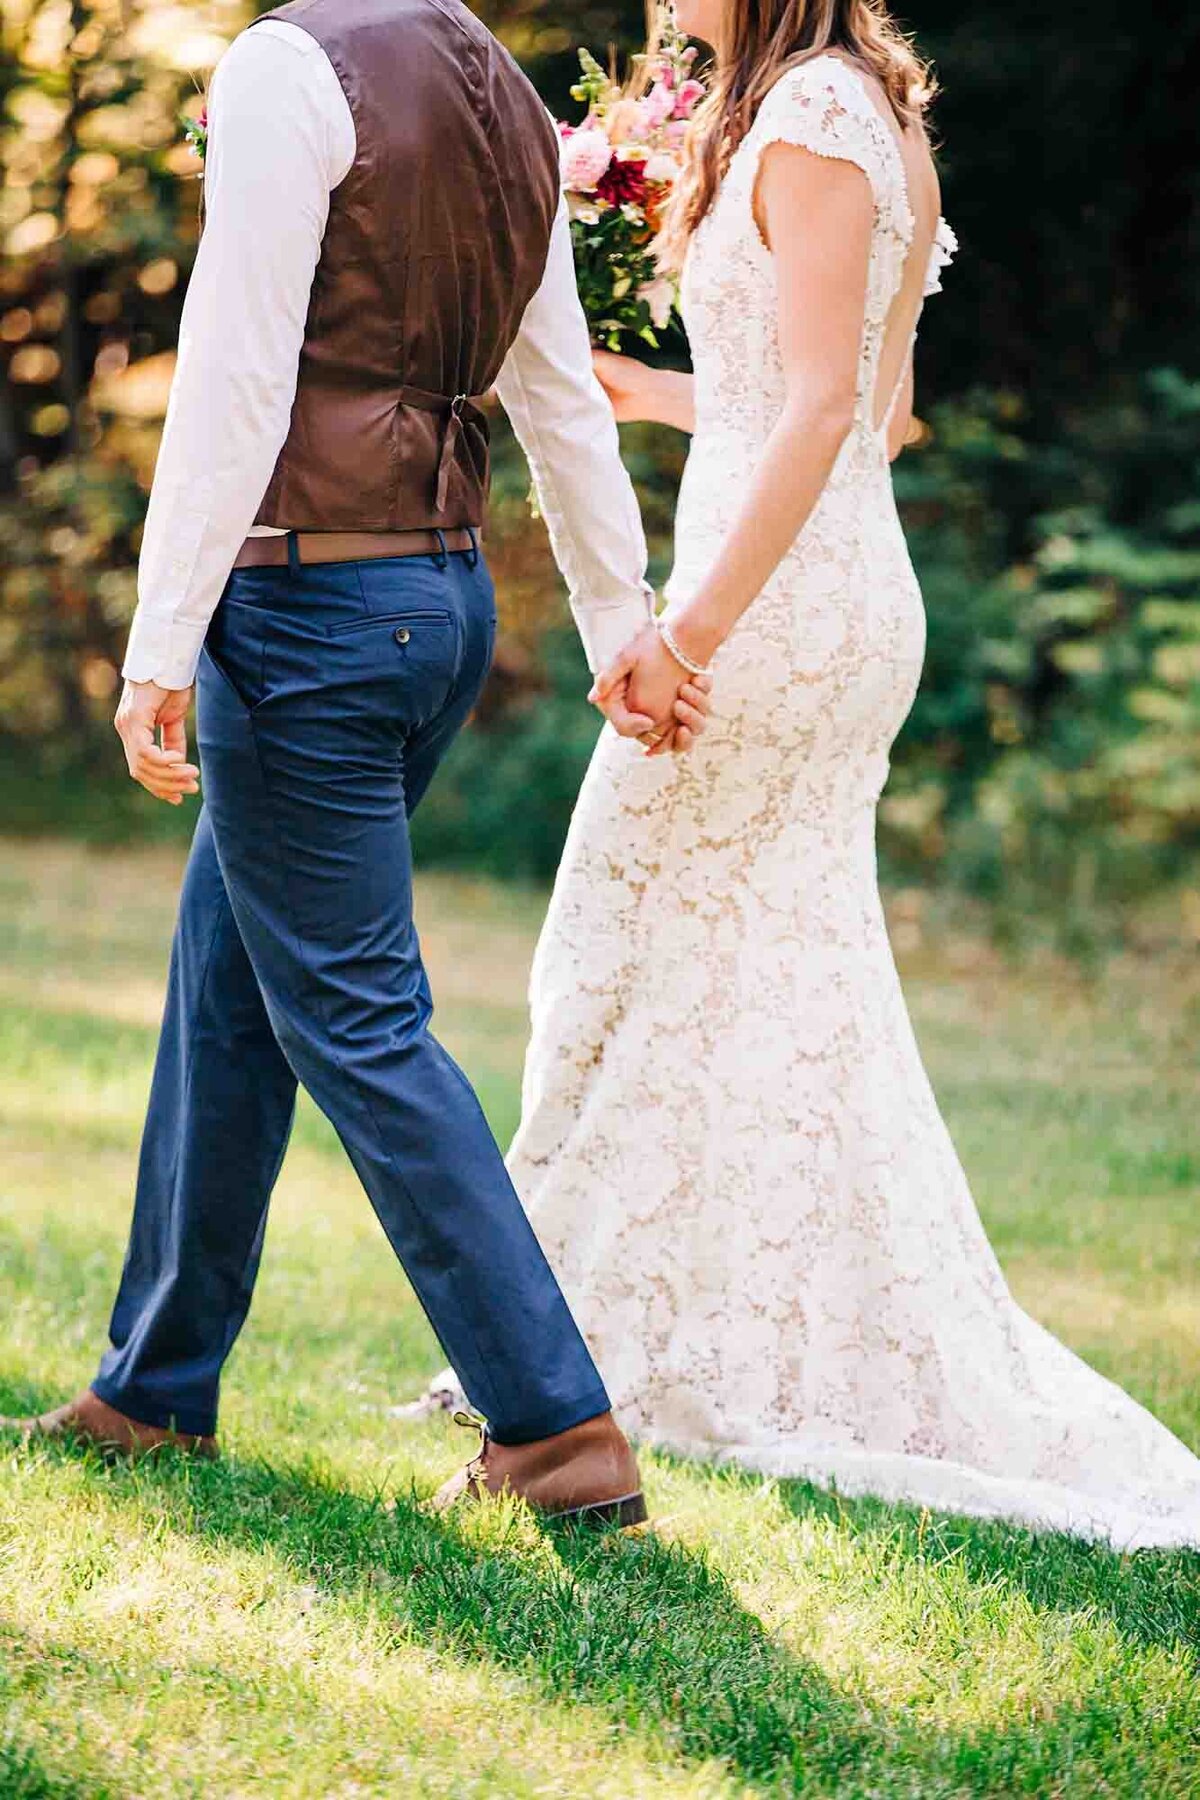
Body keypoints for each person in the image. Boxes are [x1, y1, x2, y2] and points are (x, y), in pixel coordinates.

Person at [410, 0, 1200, 1549]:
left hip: (780, 615)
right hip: (811, 593)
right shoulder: (851, 105)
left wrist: (682, 632)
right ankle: (649, 1333)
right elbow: (840, 402)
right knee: (737, 969)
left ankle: (613, 1352)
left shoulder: (823, 116)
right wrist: (659, 399)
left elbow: (845, 416)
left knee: (627, 934)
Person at [2, 0, 714, 1525]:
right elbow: (558, 391)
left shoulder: (286, 68)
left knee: (355, 1017)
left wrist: (159, 642)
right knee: (230, 983)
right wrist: (614, 613)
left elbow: (237, 375)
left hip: (311, 607)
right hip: (434, 607)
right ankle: (154, 1385)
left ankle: (555, 1424)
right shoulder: (504, 94)